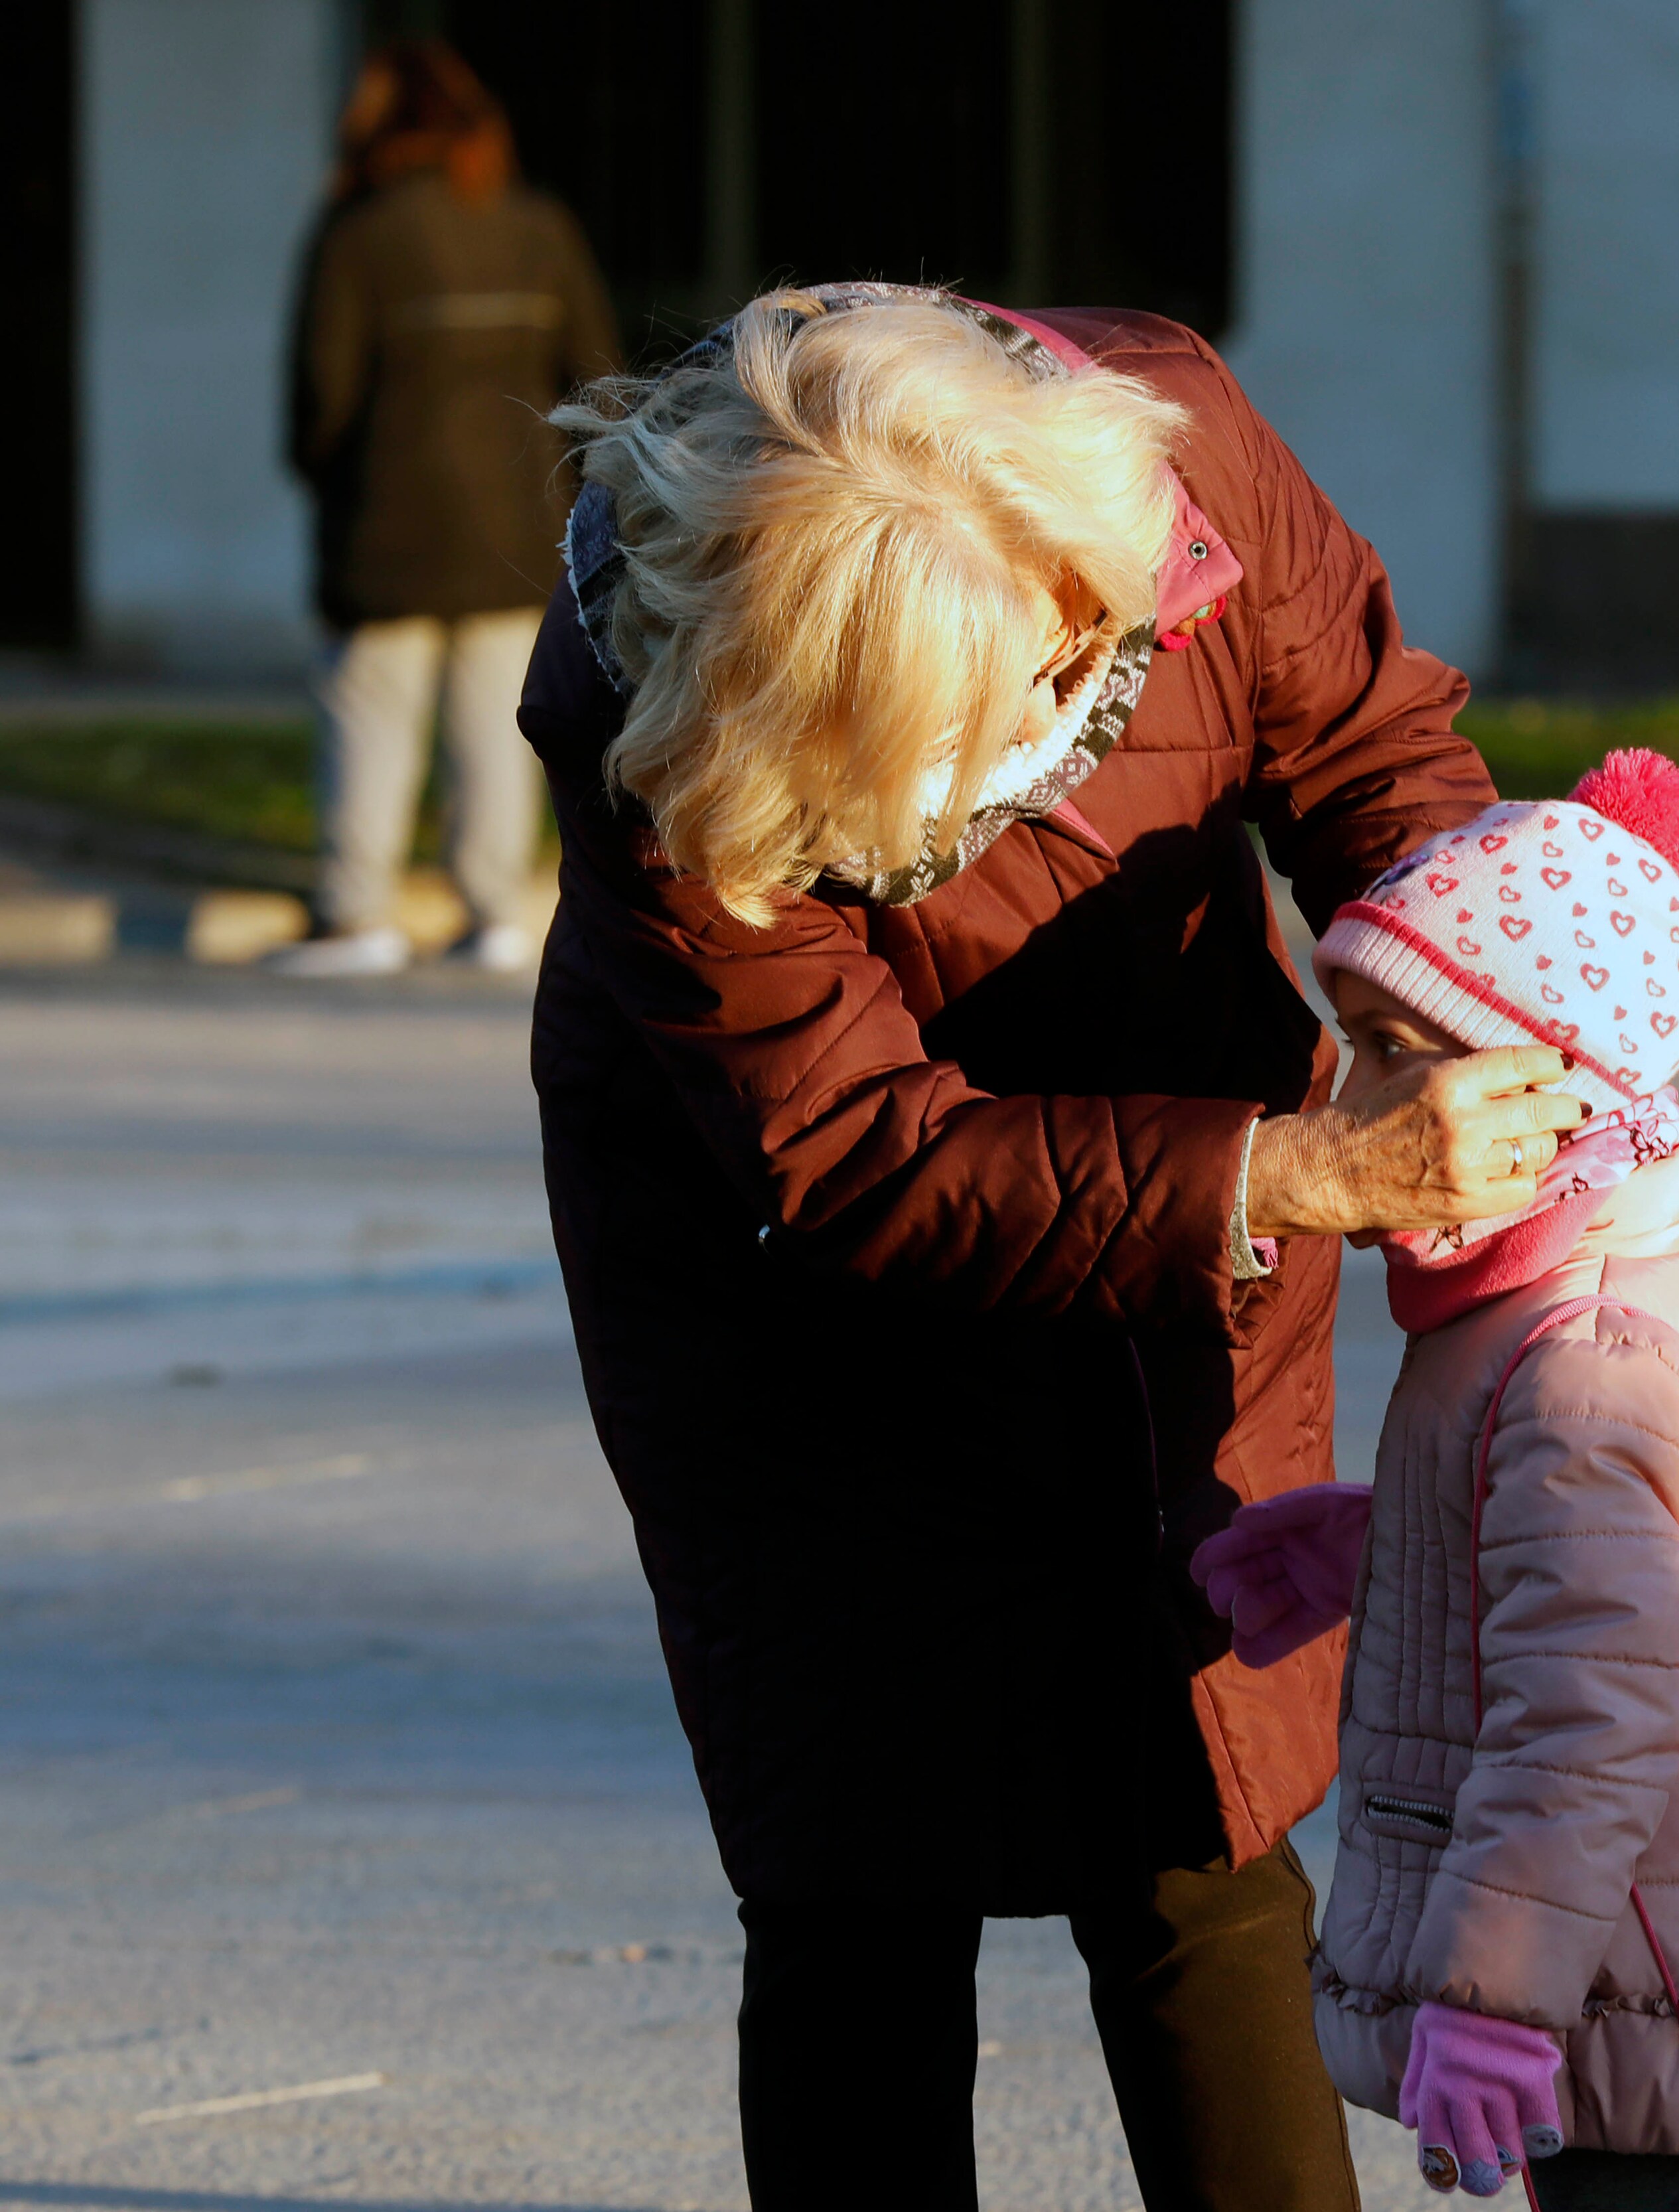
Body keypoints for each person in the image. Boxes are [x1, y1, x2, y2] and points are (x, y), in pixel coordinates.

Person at [526, 283, 1591, 2211]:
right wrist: (1297, 1178)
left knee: (1198, 1809)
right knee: (858, 1853)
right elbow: (850, 1144)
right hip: (785, 1281)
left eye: (1060, 689)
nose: (1041, 761)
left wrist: (1448, 989)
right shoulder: (662, 694)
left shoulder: (1164, 439)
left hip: (1198, 1180)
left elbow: (1364, 743)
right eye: (965, 752)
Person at [1194, 752, 1679, 2212]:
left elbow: (1582, 1723)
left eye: (1402, 1046)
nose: (1362, 1097)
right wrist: (1402, 1543)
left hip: (1613, 1985)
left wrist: (1492, 2002)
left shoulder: (1583, 1356)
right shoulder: (1556, 1291)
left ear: (1558, 1084)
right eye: (1355, 1040)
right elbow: (1605, 1580)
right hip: (1611, 1970)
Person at [277, 39, 619, 978]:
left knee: (371, 715)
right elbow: (595, 377)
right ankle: (497, 913)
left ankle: (359, 915)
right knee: (498, 728)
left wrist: (323, 472)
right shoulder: (537, 228)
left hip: (383, 529)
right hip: (515, 524)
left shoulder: (356, 234)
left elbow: (318, 399)